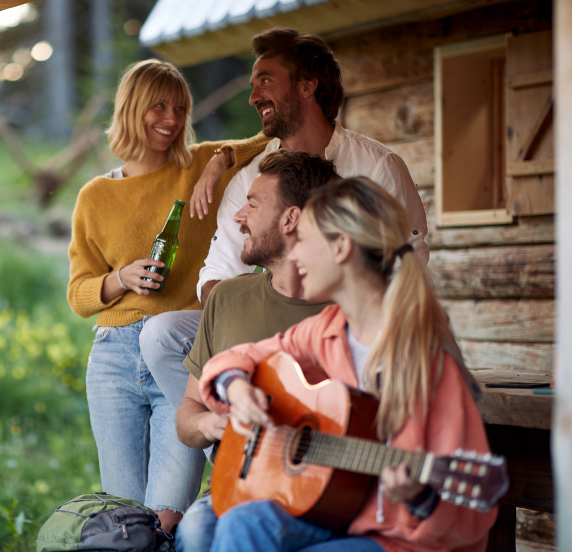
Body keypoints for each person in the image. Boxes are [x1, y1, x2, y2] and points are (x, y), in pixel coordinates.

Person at [198, 177, 495, 552]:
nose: (294, 255)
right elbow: (237, 357)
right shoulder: (327, 330)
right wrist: (236, 387)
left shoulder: (428, 363)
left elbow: (468, 515)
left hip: (402, 540)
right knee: (243, 522)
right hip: (339, 515)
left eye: (303, 240)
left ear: (341, 247)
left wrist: (419, 497)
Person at [140, 28, 429, 412]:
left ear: (308, 85)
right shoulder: (249, 178)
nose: (253, 96)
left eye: (265, 81)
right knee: (162, 333)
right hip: (262, 323)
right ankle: (235, 445)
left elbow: (410, 267)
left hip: (349, 329)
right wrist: (250, 317)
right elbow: (215, 276)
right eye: (253, 83)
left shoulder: (377, 168)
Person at [67, 59, 270, 530]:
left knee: (166, 517)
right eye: (158, 105)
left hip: (178, 354)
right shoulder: (94, 196)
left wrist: (217, 162)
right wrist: (121, 277)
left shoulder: (199, 163)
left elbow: (266, 140)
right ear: (131, 108)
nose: (172, 118)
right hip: (113, 358)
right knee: (123, 521)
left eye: (180, 108)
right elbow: (78, 295)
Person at [170, 150, 339, 552]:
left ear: (291, 219)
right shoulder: (226, 298)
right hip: (237, 485)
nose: (238, 217)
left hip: (324, 496)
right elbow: (187, 412)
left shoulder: (344, 311)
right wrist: (211, 426)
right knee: (194, 534)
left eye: (252, 203)